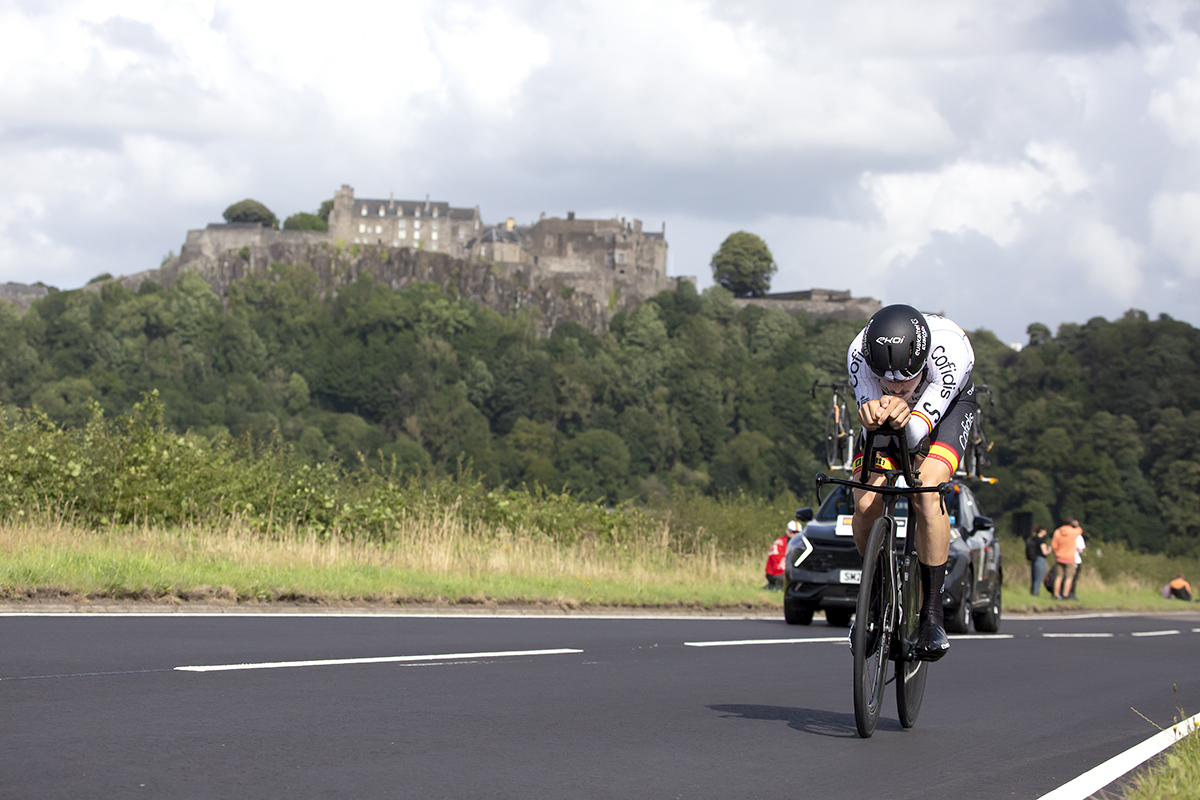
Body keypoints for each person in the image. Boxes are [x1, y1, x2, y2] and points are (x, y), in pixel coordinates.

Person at [847, 304, 976, 661]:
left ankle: (932, 614)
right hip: (895, 417)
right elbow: (876, 426)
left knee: (925, 490)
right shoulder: (859, 353)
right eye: (886, 377)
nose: (894, 385)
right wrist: (872, 416)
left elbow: (916, 432)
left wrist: (904, 414)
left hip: (947, 406)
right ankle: (872, 598)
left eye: (905, 377)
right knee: (865, 500)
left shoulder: (950, 351)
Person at [1051, 518, 1083, 600]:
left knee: (1059, 576)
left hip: (1059, 556)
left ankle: (1056, 594)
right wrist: (1076, 525)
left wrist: (1057, 553)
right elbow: (1080, 530)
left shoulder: (1057, 532)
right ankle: (1065, 595)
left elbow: (1054, 546)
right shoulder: (1073, 532)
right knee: (1069, 577)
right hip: (1070, 557)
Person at [1027, 525, 1050, 596]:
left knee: (1034, 577)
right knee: (1039, 577)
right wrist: (1050, 549)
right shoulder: (1041, 540)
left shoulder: (1033, 539)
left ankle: (1033, 591)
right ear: (1042, 531)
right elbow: (1045, 552)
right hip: (1040, 559)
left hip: (1034, 560)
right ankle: (1036, 592)